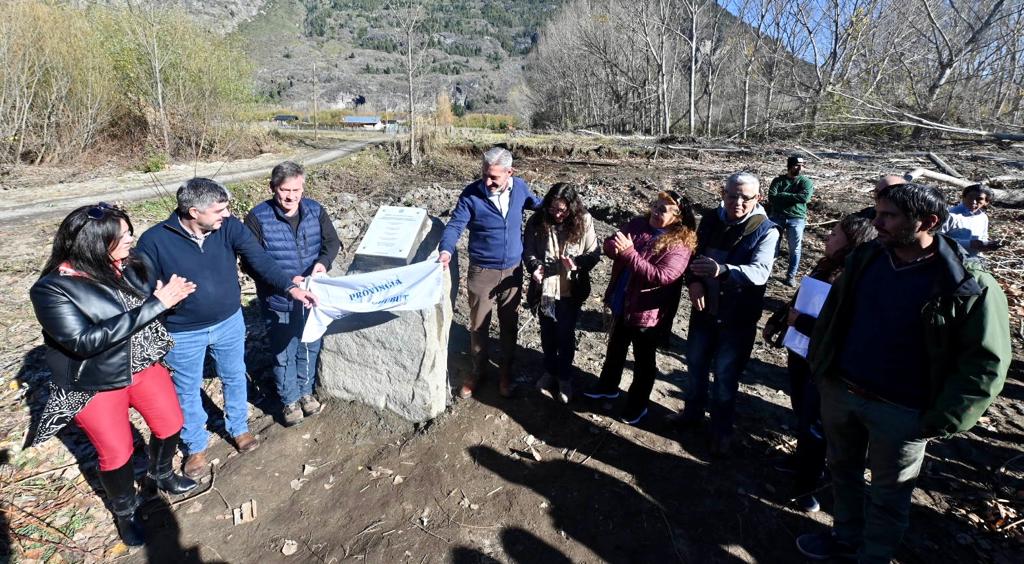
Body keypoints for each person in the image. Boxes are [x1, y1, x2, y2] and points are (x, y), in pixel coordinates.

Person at [796, 183, 1010, 563]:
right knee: (842, 473)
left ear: (927, 221)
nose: (876, 223)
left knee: (888, 495)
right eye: (877, 214)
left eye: (888, 216)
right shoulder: (867, 258)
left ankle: (873, 557)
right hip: (842, 392)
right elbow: (835, 315)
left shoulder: (966, 282)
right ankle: (845, 538)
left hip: (903, 413)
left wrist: (943, 419)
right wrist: (823, 369)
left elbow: (986, 362)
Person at [29, 203, 199, 546]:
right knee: (116, 452)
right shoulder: (52, 289)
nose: (130, 240)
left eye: (128, 232)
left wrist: (170, 300)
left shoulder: (127, 265)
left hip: (142, 364)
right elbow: (84, 341)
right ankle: (125, 511)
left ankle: (160, 473)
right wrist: (157, 304)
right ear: (94, 242)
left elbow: (143, 312)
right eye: (121, 236)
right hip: (95, 381)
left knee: (170, 423)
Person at [136, 178, 318, 479]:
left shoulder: (228, 228)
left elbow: (259, 259)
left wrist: (289, 287)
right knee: (186, 388)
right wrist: (156, 293)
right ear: (194, 212)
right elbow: (141, 283)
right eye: (219, 209)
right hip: (183, 331)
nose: (227, 214)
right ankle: (195, 446)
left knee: (234, 375)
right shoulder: (155, 239)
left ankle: (239, 428)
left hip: (229, 322)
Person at [762, 215, 876, 513]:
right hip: (800, 351)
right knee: (802, 411)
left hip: (824, 360)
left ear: (852, 241)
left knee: (815, 423)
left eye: (835, 233)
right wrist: (780, 321)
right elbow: (800, 298)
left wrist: (801, 322)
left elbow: (843, 329)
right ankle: (800, 462)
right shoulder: (825, 266)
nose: (828, 236)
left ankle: (806, 487)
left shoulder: (853, 279)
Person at [679, 172, 779, 456]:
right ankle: (692, 414)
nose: (738, 202)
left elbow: (760, 273)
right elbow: (692, 257)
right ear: (722, 193)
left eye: (746, 197)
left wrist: (723, 271)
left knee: (724, 377)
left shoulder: (766, 230)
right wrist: (694, 282)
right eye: (732, 195)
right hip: (704, 312)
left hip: (737, 319)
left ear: (757, 198)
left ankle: (721, 431)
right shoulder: (711, 219)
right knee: (696, 366)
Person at [582, 190, 696, 425]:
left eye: (663, 209)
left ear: (678, 216)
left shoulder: (680, 243)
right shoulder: (638, 224)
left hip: (648, 312)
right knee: (615, 348)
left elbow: (664, 276)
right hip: (622, 301)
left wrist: (629, 253)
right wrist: (613, 248)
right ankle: (607, 386)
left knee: (644, 361)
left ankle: (637, 404)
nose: (655, 211)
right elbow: (612, 243)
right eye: (655, 206)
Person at [438, 147, 542, 399]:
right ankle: (478, 371)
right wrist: (446, 249)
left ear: (510, 172)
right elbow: (455, 224)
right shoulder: (471, 194)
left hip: (512, 271)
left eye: (494, 177)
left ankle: (506, 371)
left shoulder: (519, 188)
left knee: (509, 323)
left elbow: (537, 204)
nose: (488, 181)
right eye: (485, 174)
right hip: (482, 270)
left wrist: (562, 208)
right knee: (478, 324)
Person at [243, 161, 341, 426]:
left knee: (309, 345)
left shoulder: (315, 210)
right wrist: (287, 282)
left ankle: (306, 393)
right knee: (284, 351)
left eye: (297, 189)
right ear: (273, 188)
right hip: (278, 299)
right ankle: (288, 400)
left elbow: (332, 243)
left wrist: (322, 264)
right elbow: (250, 262)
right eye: (285, 190)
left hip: (312, 297)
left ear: (303, 187)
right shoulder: (258, 217)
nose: (291, 196)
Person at [523, 182, 600, 404]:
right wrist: (534, 265)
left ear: (571, 208)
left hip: (570, 291)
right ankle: (550, 371)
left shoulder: (584, 220)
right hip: (545, 289)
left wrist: (576, 263)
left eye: (562, 210)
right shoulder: (538, 221)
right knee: (547, 332)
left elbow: (593, 253)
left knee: (565, 335)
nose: (557, 214)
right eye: (553, 209)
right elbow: (528, 250)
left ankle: (565, 377)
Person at [768, 155, 814, 286]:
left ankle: (790, 276)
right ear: (789, 166)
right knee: (771, 245)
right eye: (796, 165)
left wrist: (782, 195)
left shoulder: (806, 182)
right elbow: (772, 197)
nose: (800, 168)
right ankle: (767, 272)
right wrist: (794, 197)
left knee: (795, 249)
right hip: (777, 216)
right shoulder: (778, 181)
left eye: (802, 165)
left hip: (797, 218)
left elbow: (804, 198)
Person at [942, 183, 1001, 257]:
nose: (974, 202)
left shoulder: (983, 217)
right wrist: (969, 244)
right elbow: (937, 239)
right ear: (963, 197)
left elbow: (983, 238)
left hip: (974, 260)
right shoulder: (950, 215)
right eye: (970, 197)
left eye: (979, 199)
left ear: (986, 202)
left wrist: (986, 245)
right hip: (950, 259)